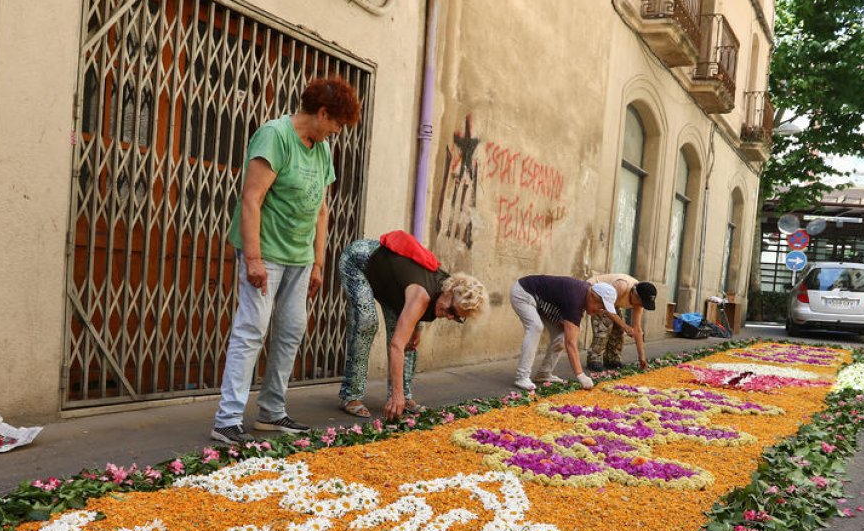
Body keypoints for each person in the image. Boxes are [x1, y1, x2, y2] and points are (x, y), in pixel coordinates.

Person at [210, 77, 361, 445]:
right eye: (337, 124)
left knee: (291, 330)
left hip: (300, 257)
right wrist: (254, 258)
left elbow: (322, 210)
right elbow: (251, 198)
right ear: (322, 113)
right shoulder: (274, 136)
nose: (337, 132)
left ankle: (271, 412)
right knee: (252, 329)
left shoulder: (321, 149)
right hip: (267, 254)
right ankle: (227, 418)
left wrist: (319, 263)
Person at [337, 238, 487, 420]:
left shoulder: (445, 287)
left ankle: (404, 398)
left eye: (456, 317)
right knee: (367, 323)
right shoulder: (422, 295)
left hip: (389, 283)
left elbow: (420, 306)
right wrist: (396, 394)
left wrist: (417, 329)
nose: (449, 317)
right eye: (451, 310)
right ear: (449, 291)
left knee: (408, 339)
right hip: (360, 261)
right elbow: (396, 345)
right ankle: (351, 395)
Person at [509, 275, 616, 391]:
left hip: (540, 301)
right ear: (592, 296)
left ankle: (544, 374)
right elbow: (571, 343)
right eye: (601, 306)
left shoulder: (584, 295)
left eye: (604, 308)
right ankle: (522, 377)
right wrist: (581, 375)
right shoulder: (576, 299)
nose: (600, 311)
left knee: (562, 335)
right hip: (523, 292)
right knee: (535, 327)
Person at [586, 273, 657, 371]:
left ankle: (612, 358)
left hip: (612, 303)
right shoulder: (622, 286)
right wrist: (626, 326)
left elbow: (637, 329)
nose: (641, 306)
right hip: (596, 296)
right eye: (642, 303)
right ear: (635, 295)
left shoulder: (639, 302)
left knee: (618, 328)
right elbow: (607, 309)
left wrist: (642, 358)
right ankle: (594, 359)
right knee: (605, 323)